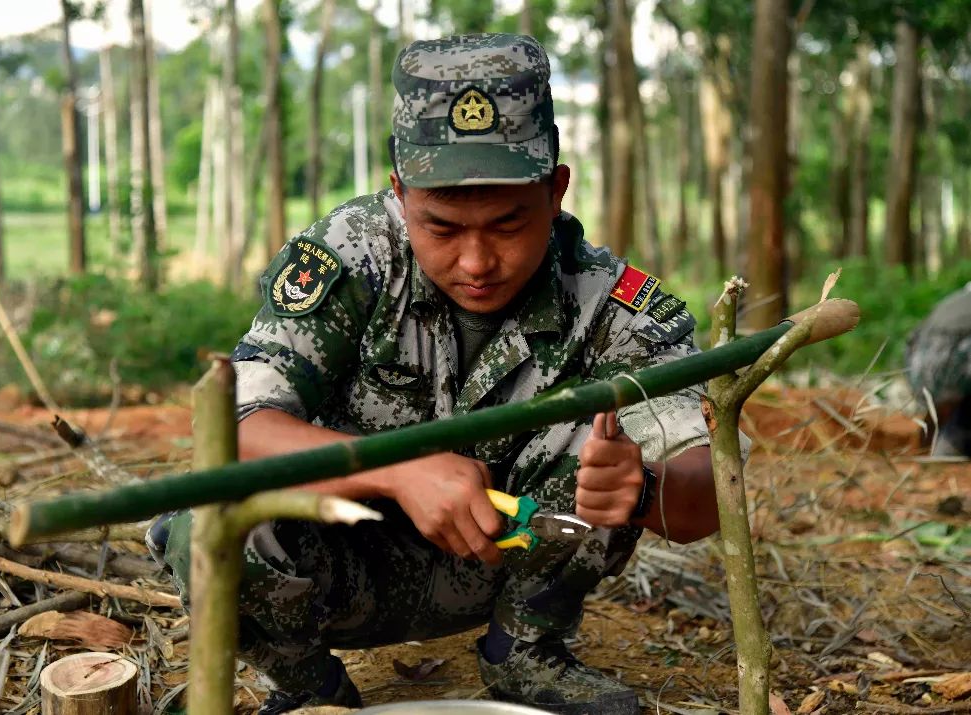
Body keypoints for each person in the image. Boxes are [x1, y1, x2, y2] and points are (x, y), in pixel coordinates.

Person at [154, 33, 723, 715]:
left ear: (556, 190)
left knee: (597, 425)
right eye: (443, 228)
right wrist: (398, 467)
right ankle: (308, 686)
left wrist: (641, 488)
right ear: (399, 193)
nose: (477, 260)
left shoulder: (614, 306)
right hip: (343, 561)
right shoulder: (352, 257)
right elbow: (236, 429)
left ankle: (526, 652)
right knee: (199, 522)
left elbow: (707, 494)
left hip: (509, 563)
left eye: (508, 224)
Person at [905, 283, 971, 456]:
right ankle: (952, 444)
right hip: (956, 373)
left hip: (920, 375)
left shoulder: (952, 302)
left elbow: (912, 340)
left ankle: (943, 445)